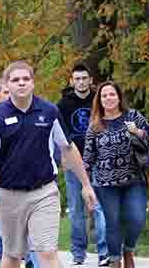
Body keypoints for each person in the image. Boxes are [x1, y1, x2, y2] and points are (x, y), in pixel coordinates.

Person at [0, 61, 97, 268]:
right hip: (7, 194)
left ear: (32, 83)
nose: (21, 83)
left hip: (44, 193)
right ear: (7, 85)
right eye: (15, 80)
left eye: (26, 79)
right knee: (12, 256)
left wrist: (85, 184)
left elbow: (68, 147)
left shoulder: (49, 111)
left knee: (47, 252)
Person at [83, 81, 149, 268]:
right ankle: (115, 260)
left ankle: (129, 249)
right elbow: (88, 159)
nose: (108, 98)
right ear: (99, 100)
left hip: (134, 179)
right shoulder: (95, 126)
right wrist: (87, 186)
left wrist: (137, 131)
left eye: (112, 94)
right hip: (105, 184)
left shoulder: (132, 116)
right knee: (112, 222)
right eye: (104, 95)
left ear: (119, 97)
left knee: (137, 218)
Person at [57, 63, 109, 267]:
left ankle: (104, 251)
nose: (80, 82)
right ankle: (78, 253)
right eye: (77, 79)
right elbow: (59, 135)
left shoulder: (99, 101)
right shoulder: (62, 105)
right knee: (76, 209)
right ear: (72, 81)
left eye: (84, 78)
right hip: (73, 163)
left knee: (99, 206)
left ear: (90, 80)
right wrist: (61, 157)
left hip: (98, 160)